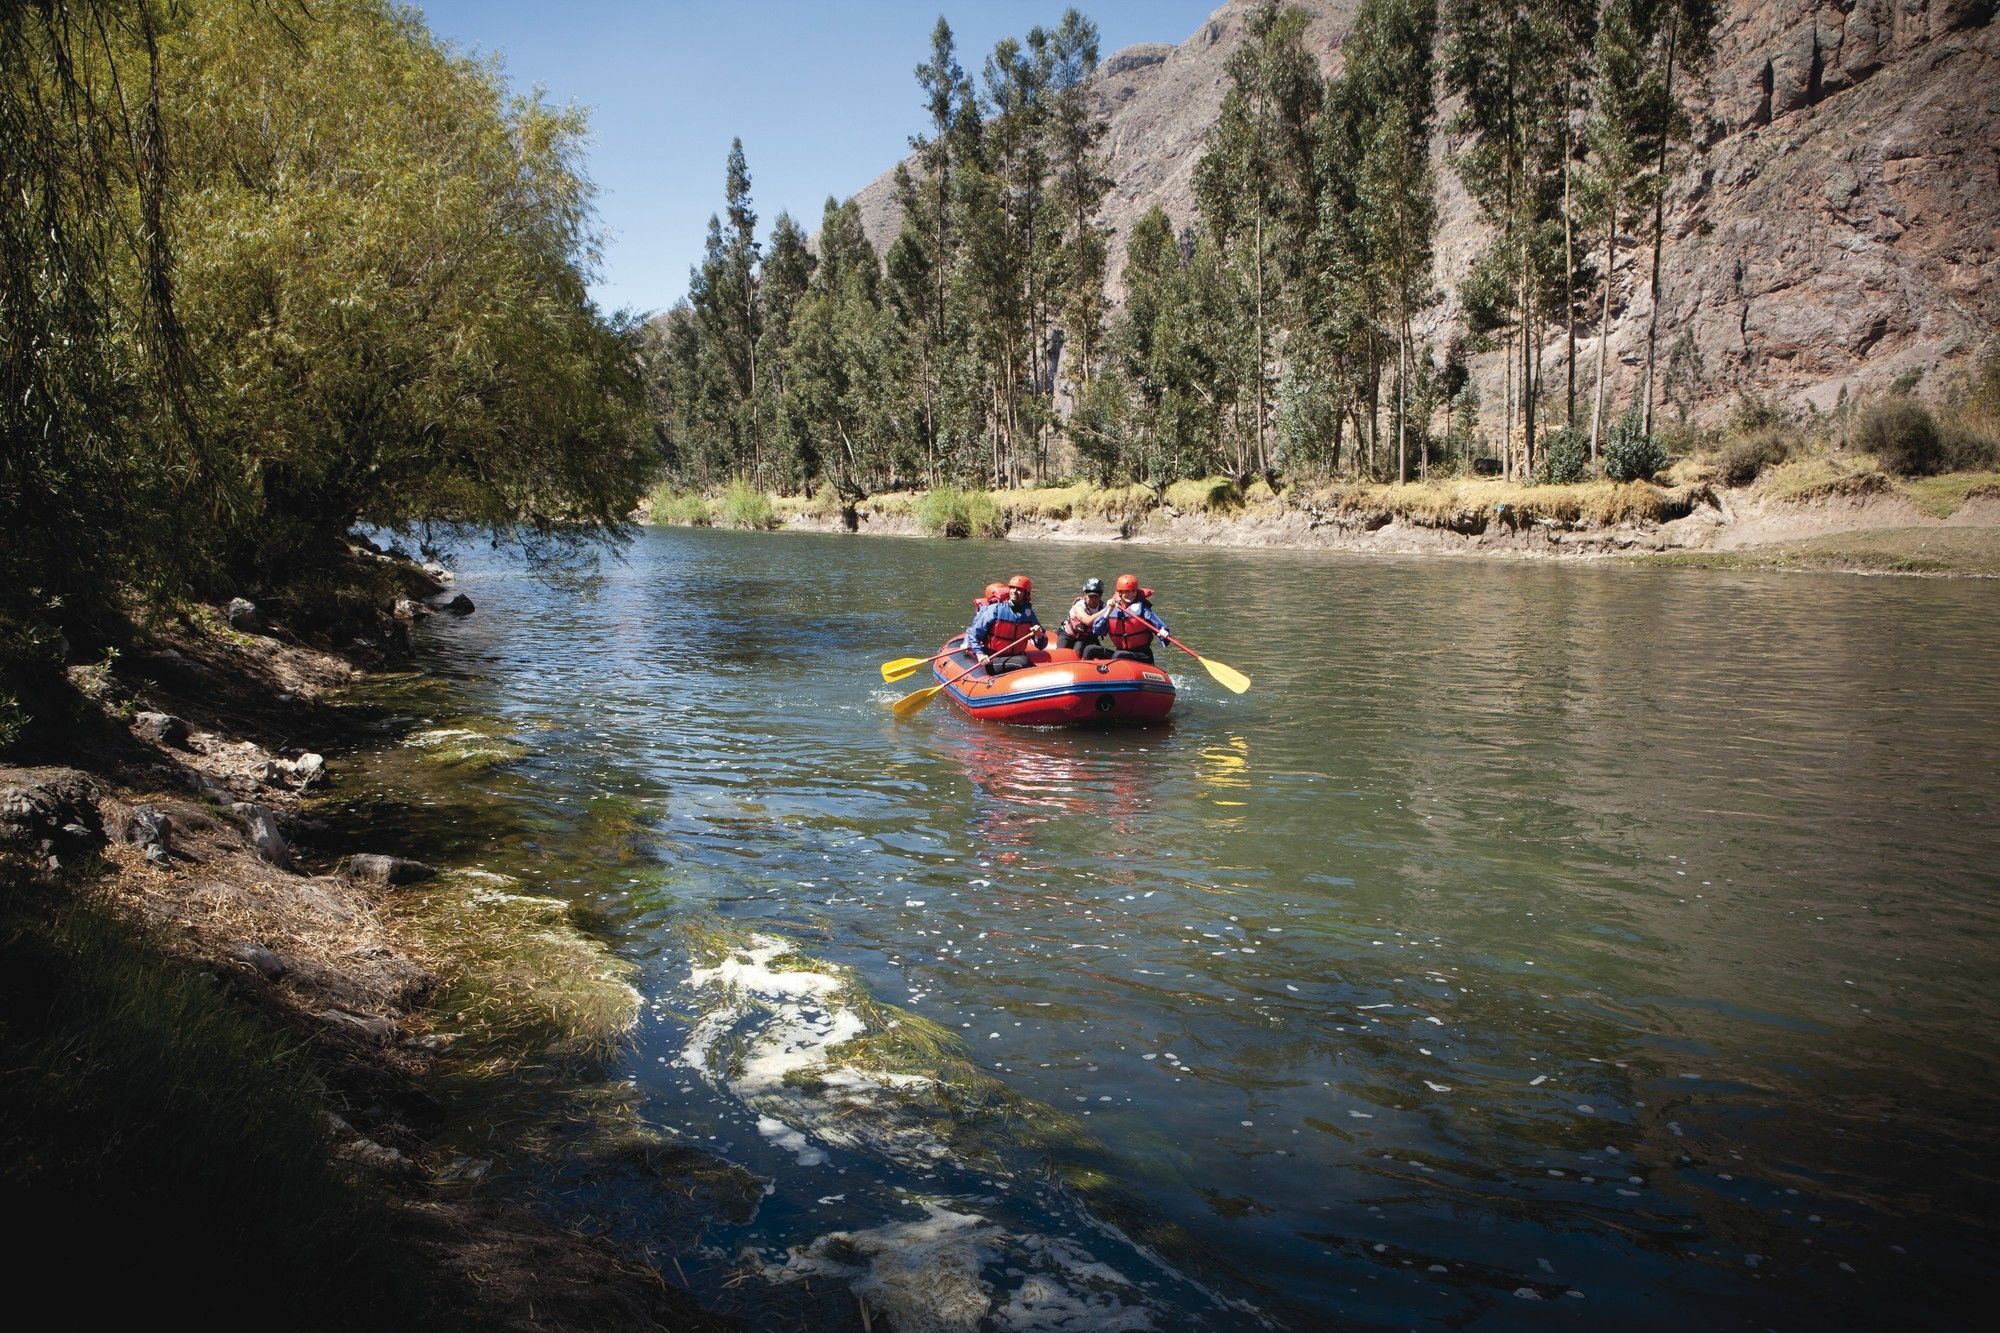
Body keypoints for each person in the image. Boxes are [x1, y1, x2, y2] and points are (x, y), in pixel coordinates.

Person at [966, 574, 1046, 675]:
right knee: (1023, 662)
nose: (1014, 591)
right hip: (993, 658)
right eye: (1012, 588)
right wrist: (980, 654)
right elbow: (973, 636)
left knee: (1022, 660)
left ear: (1026, 594)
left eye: (1019, 589)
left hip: (1016, 656)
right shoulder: (996, 609)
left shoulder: (1028, 614)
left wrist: (1039, 635)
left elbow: (1042, 645)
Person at [1089, 573, 1170, 664]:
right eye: (1126, 591)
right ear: (1119, 592)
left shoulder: (1142, 609)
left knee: (1118, 656)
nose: (1131, 594)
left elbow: (1160, 627)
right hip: (1121, 652)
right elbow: (1097, 631)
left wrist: (1163, 633)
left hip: (1142, 655)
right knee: (1090, 650)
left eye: (1133, 591)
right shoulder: (1112, 608)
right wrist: (1108, 611)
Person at [1059, 577, 1107, 656]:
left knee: (1080, 649)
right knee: (1060, 653)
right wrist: (1107, 609)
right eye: (1091, 596)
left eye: (1096, 596)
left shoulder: (1103, 607)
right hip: (1068, 635)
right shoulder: (1079, 606)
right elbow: (1088, 621)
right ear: (1085, 594)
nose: (1093, 599)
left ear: (1101, 595)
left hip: (1086, 637)